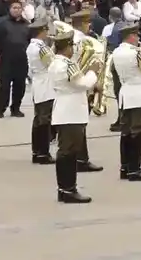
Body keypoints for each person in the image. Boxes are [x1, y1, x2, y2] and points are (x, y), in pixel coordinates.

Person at [49, 27, 97, 203]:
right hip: (71, 112)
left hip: (65, 109)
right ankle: (68, 189)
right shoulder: (66, 65)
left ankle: (65, 189)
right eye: (73, 46)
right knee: (68, 152)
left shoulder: (56, 62)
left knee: (66, 151)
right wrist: (93, 71)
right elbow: (82, 83)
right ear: (67, 47)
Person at [112, 22, 141, 181]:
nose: (138, 38)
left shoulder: (117, 52)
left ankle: (124, 167)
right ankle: (135, 169)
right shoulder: (136, 53)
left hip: (126, 94)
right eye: (137, 35)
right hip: (139, 95)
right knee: (137, 132)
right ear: (131, 36)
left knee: (126, 132)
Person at [0, 0, 30, 118]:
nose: (17, 10)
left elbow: (30, 40)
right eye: (14, 8)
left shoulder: (26, 24)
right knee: (4, 86)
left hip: (22, 59)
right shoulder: (2, 22)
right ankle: (0, 109)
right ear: (10, 9)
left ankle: (16, 108)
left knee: (20, 85)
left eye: (19, 8)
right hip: (6, 58)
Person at [26, 19, 56, 165]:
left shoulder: (31, 46)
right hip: (45, 83)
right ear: (41, 31)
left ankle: (36, 151)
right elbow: (52, 63)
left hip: (38, 82)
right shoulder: (41, 48)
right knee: (45, 119)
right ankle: (43, 153)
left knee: (38, 119)